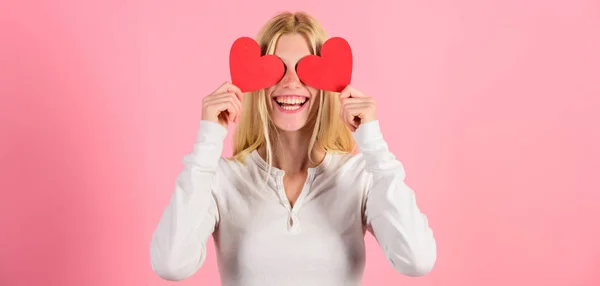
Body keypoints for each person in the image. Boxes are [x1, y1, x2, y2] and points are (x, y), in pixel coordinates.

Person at [150, 11, 437, 286]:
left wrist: (373, 142)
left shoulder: (359, 176)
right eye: (276, 69)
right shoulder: (222, 178)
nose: (290, 83)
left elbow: (416, 260)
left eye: (305, 70)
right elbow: (172, 264)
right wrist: (208, 141)